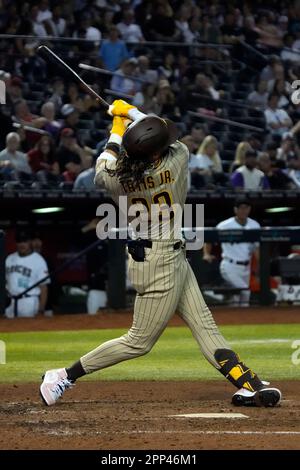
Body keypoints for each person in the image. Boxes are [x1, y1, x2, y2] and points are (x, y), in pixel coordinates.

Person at [40, 100, 281, 408]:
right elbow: (165, 134)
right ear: (154, 151)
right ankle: (62, 375)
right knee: (138, 342)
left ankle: (247, 383)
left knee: (204, 323)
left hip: (164, 255)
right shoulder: (176, 159)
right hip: (159, 263)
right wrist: (132, 113)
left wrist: (116, 125)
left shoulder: (116, 177)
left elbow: (103, 163)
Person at [203, 197, 260, 307]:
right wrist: (206, 254)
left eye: (246, 208)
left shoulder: (255, 225)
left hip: (246, 266)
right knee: (245, 291)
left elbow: (257, 249)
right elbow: (209, 238)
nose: (243, 210)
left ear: (249, 209)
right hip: (229, 265)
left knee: (236, 297)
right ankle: (244, 316)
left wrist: (259, 267)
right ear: (235, 210)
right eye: (241, 208)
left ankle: (236, 320)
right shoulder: (225, 225)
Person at [5, 230, 49, 318]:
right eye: (19, 241)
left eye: (25, 241)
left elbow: (43, 288)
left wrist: (41, 310)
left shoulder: (38, 260)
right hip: (11, 301)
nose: (22, 244)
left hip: (29, 301)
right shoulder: (9, 258)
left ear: (30, 242)